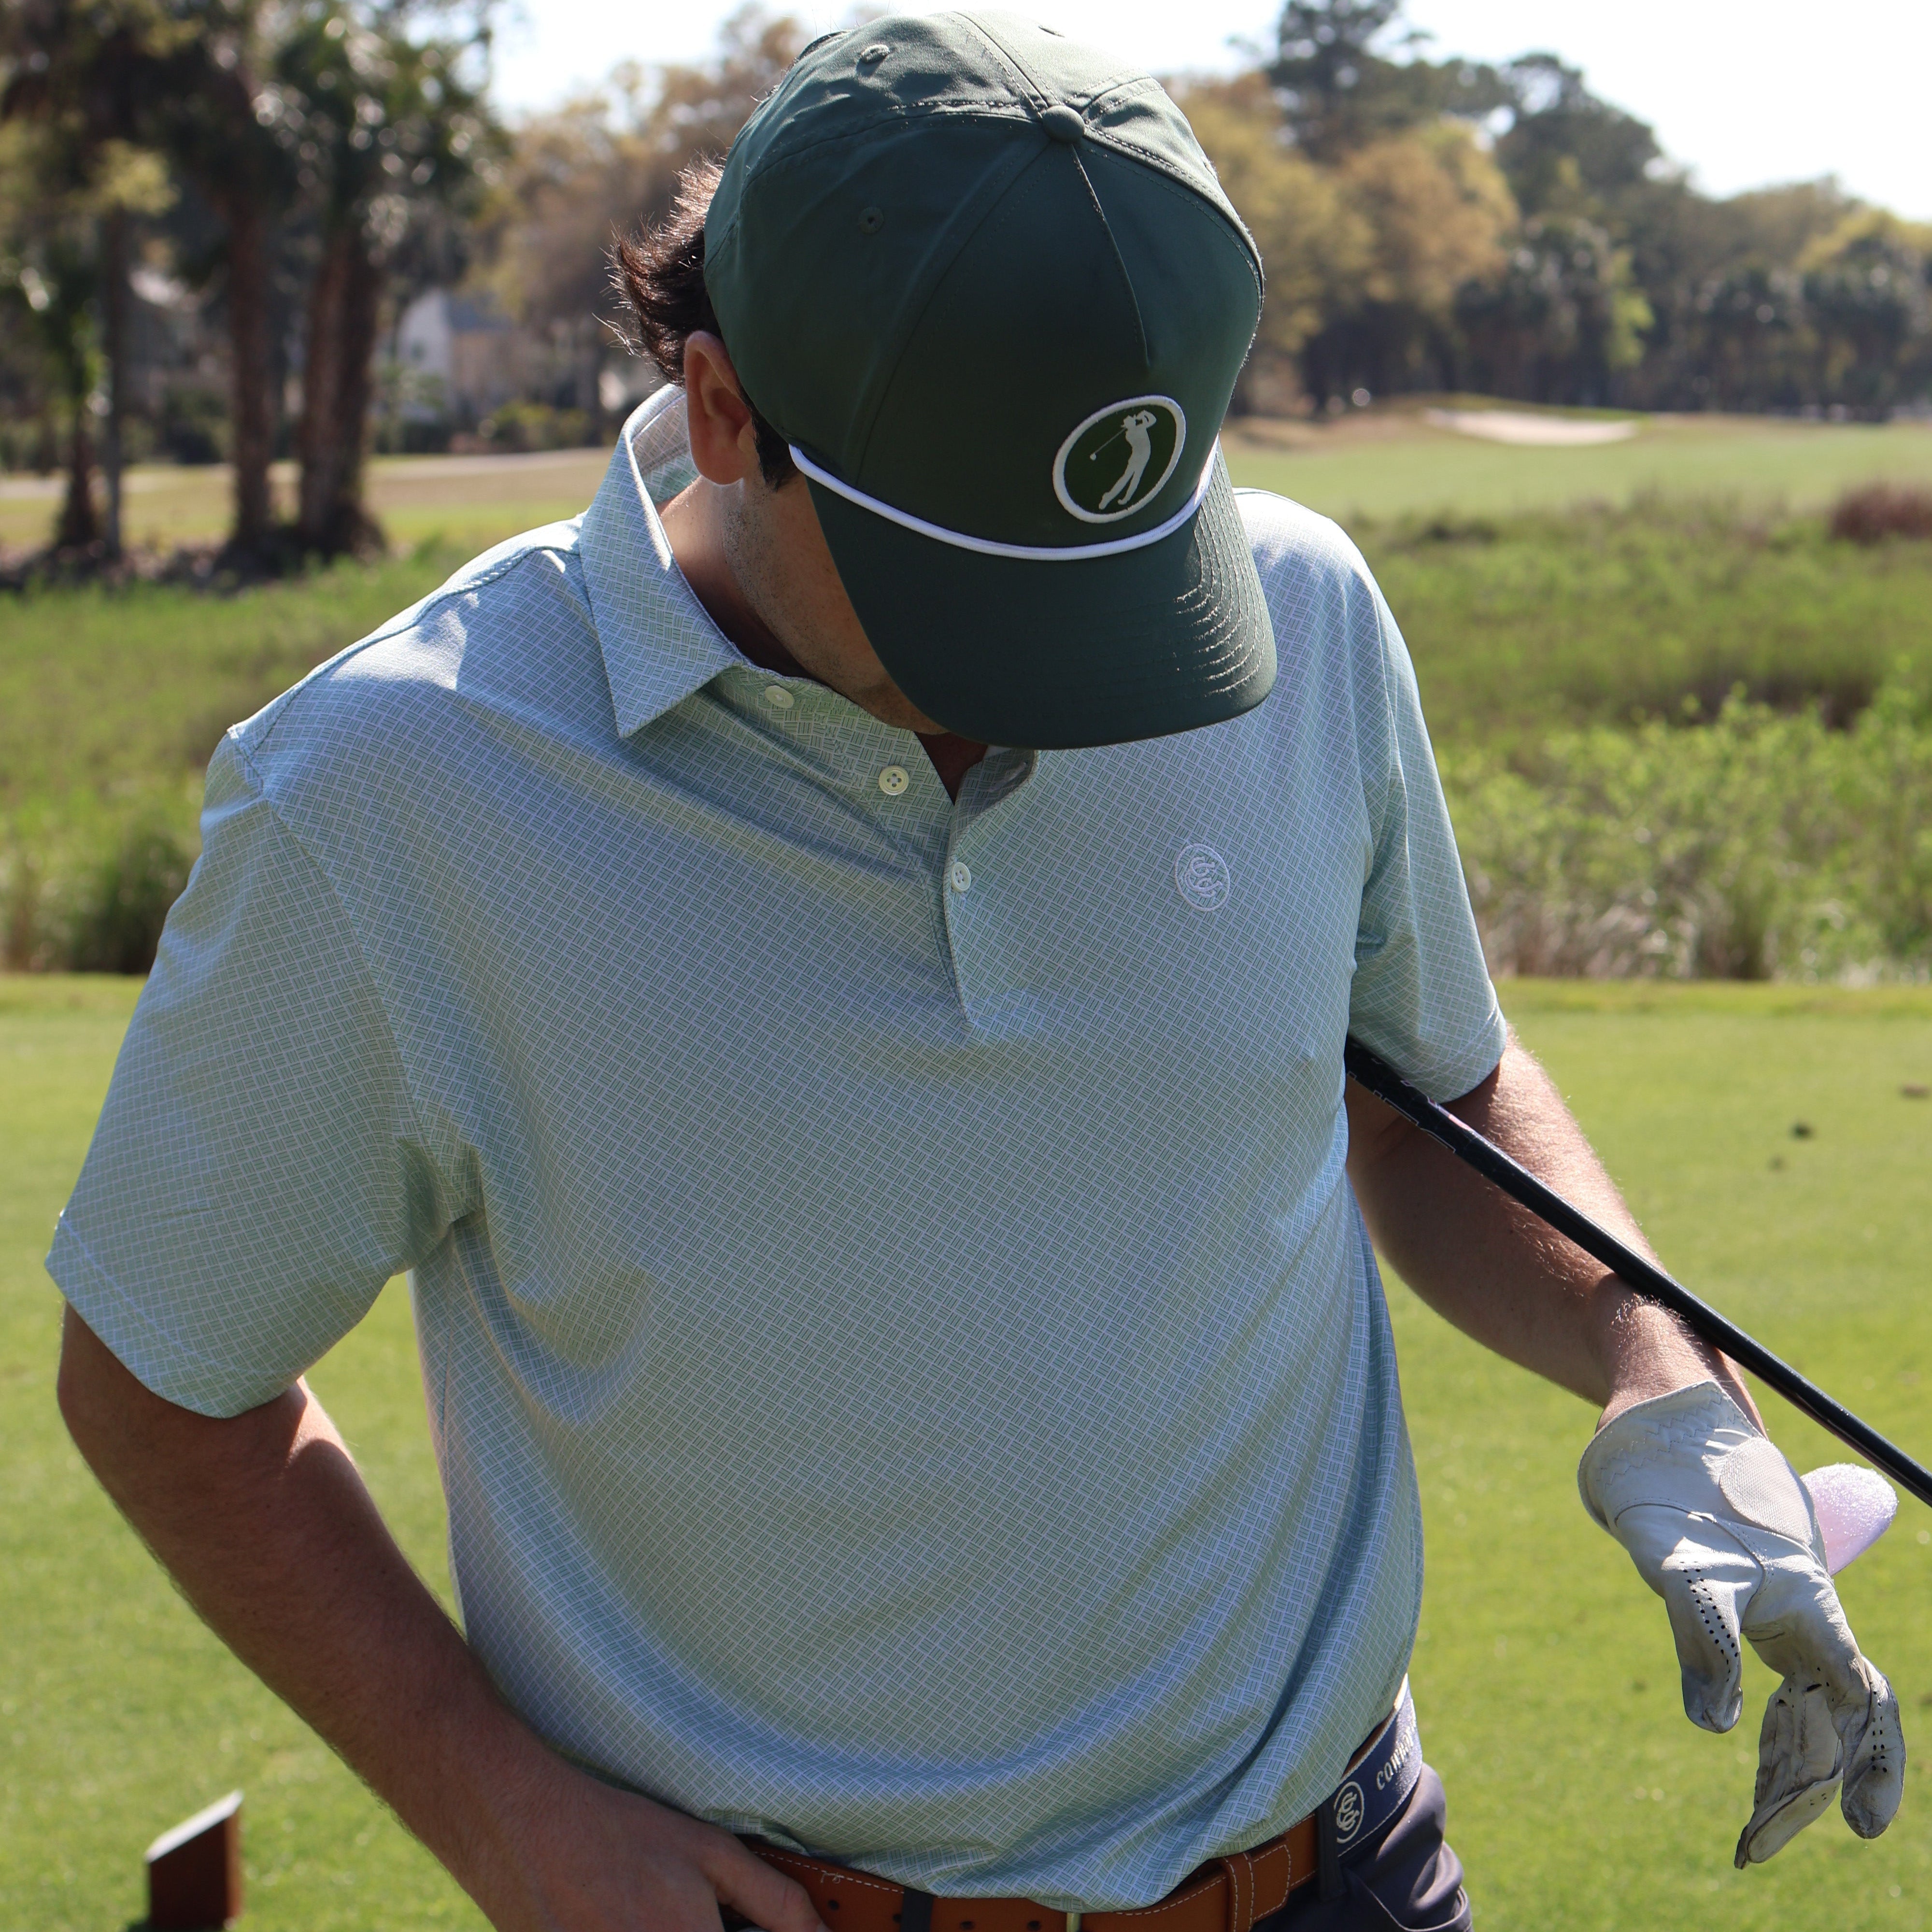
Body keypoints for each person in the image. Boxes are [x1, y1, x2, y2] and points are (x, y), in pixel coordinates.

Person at [49, 14, 1901, 1932]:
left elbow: (1422, 1097)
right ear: (720, 408)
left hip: (1348, 1874)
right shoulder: (391, 791)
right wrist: (484, 1794)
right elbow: (170, 1380)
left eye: (1114, 575)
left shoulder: (1300, 620)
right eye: (979, 587)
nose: (1074, 673)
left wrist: (1645, 1356)